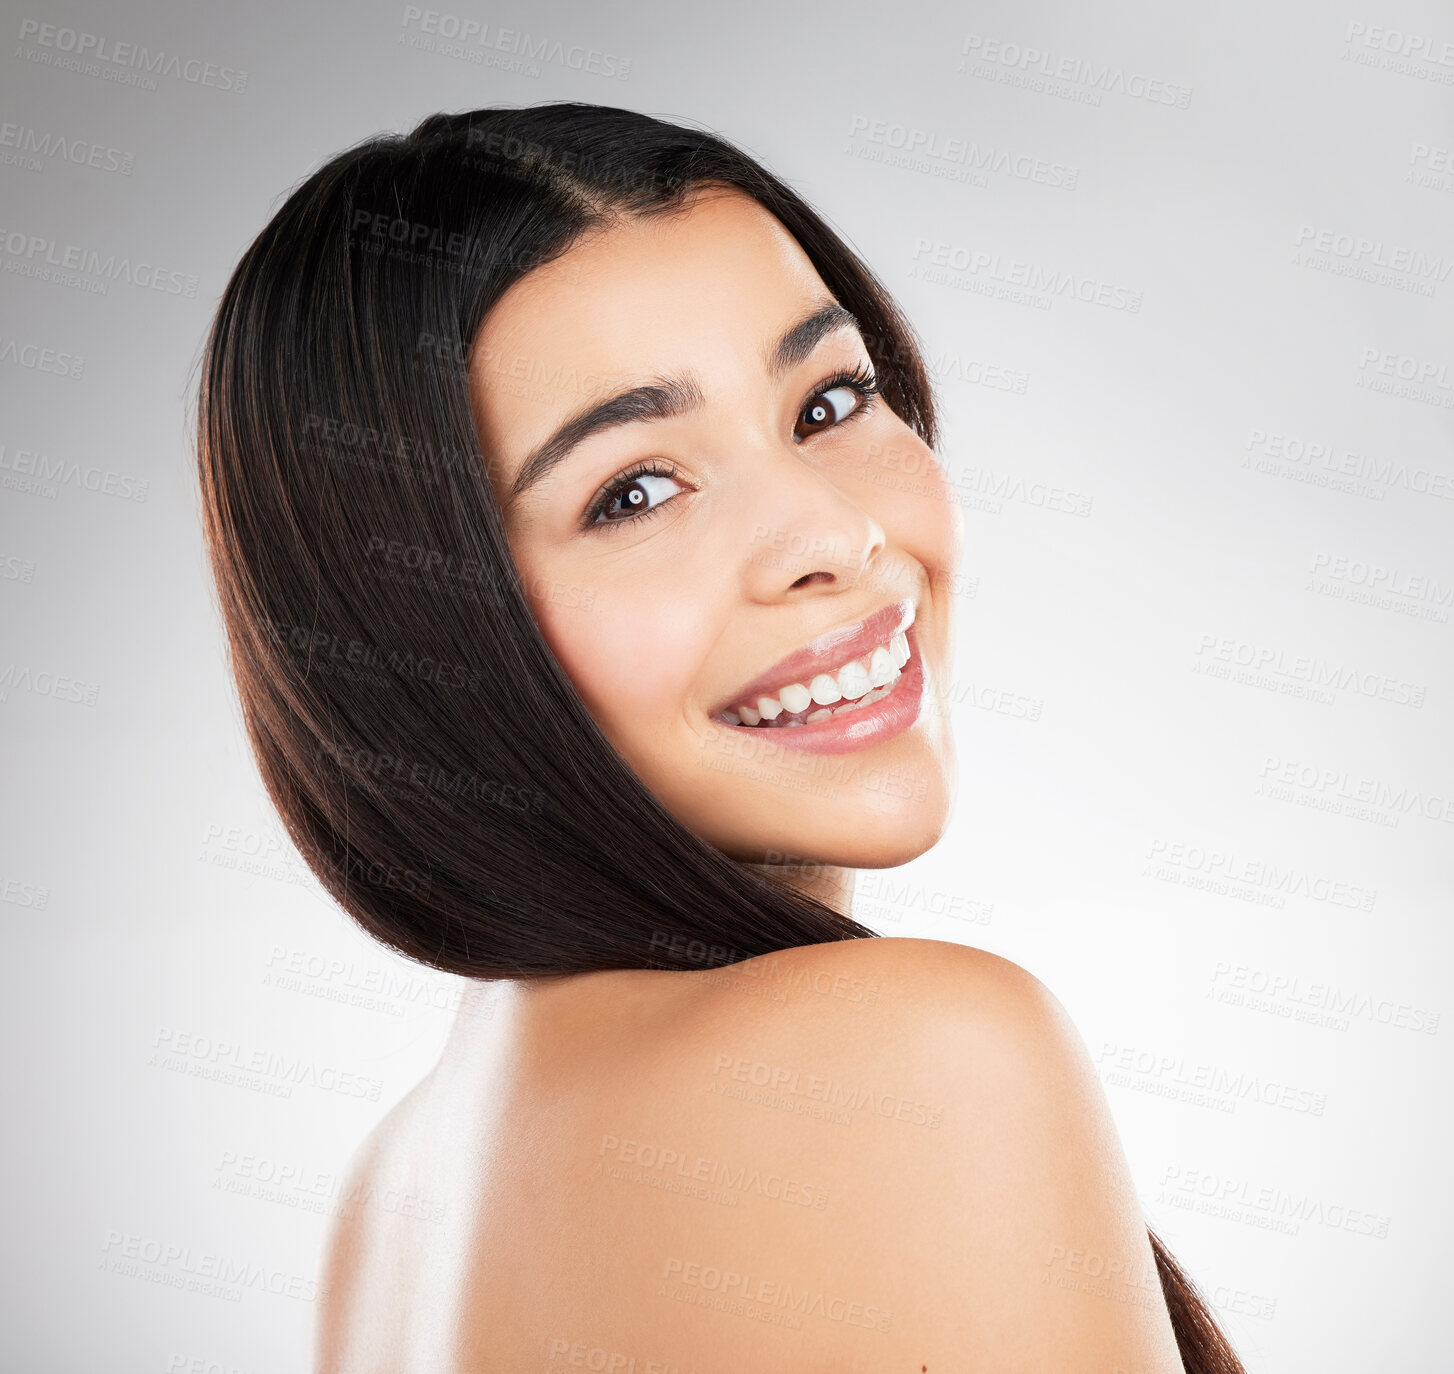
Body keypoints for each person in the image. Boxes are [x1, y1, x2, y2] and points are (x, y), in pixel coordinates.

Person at [195, 102, 1245, 1372]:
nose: (829, 536)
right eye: (634, 490)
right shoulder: (912, 1058)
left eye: (827, 402)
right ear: (416, 623)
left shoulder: (397, 1197)